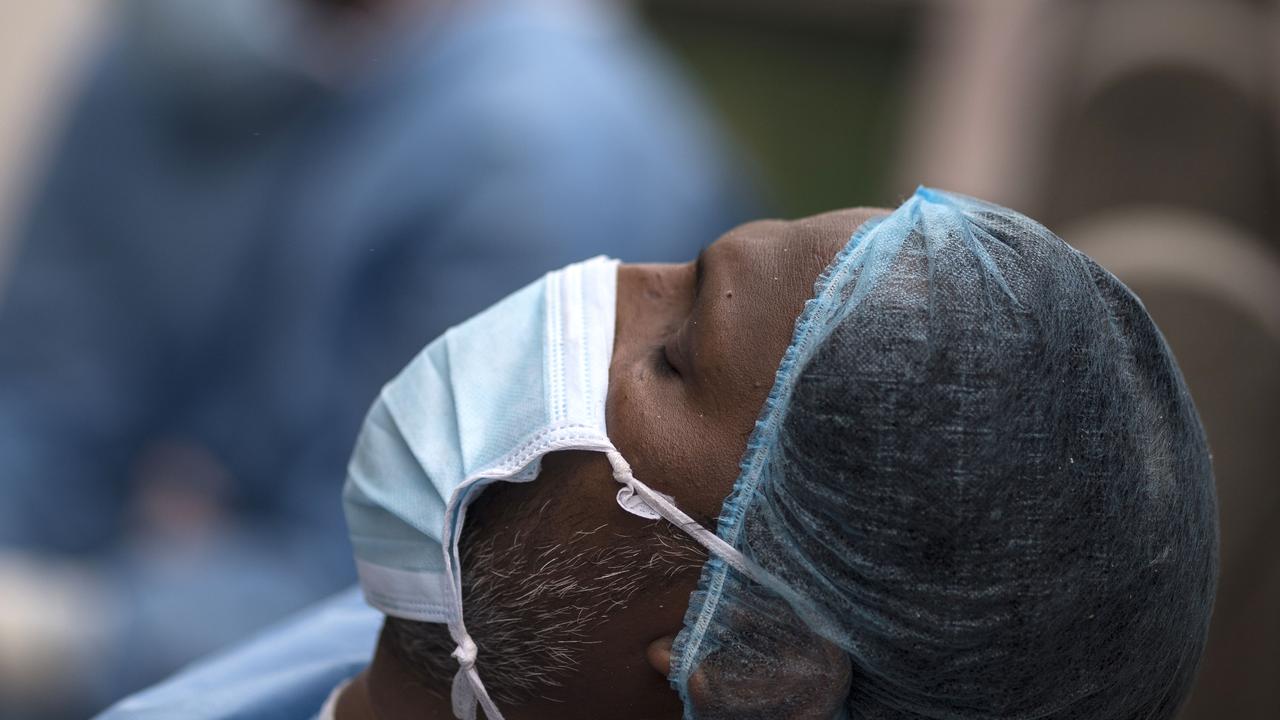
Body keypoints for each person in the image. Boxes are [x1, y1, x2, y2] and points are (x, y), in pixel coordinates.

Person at [97, 188, 1218, 720]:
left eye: (674, 355)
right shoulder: (428, 647)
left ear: (742, 666)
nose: (592, 293)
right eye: (672, 270)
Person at [0, 0, 752, 714]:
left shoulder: (538, 152)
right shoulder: (179, 53)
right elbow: (50, 392)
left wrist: (83, 637)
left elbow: (411, 594)